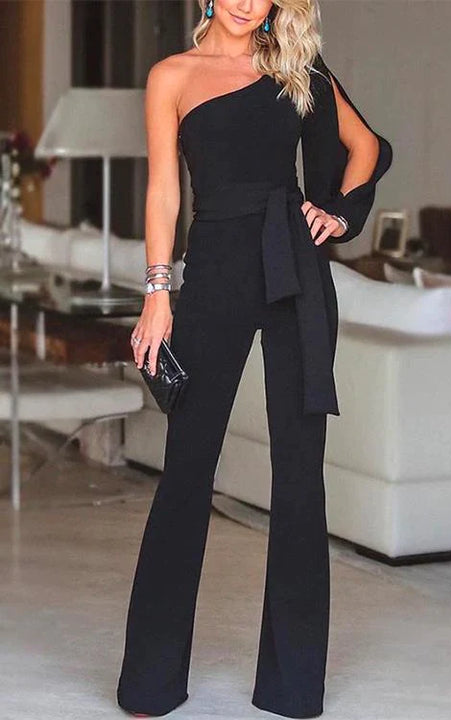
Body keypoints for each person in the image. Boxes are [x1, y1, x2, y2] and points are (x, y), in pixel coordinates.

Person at [117, 1, 393, 717]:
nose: (247, 1)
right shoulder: (172, 76)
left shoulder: (296, 65)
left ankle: (293, 687)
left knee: (300, 475)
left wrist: (338, 212)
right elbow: (164, 190)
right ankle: (151, 681)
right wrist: (157, 293)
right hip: (215, 267)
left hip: (294, 266)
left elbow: (367, 147)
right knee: (187, 468)